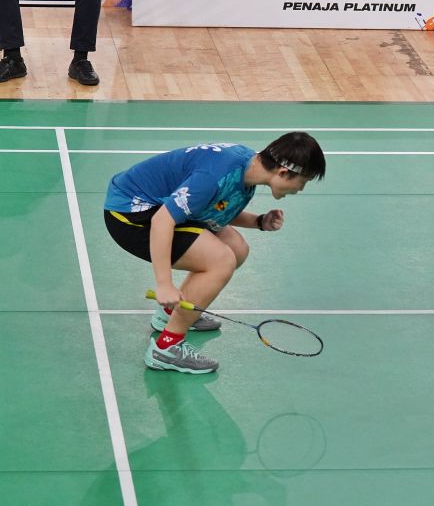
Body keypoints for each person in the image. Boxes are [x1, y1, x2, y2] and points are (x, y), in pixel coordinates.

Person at [103, 132, 326, 374]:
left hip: (158, 207)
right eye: (302, 182)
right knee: (221, 261)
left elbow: (211, 207)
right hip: (132, 215)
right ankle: (166, 348)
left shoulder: (246, 170)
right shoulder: (215, 176)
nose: (300, 189)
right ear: (283, 173)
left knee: (237, 249)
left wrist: (259, 221)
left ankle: (171, 314)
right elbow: (162, 221)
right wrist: (164, 284)